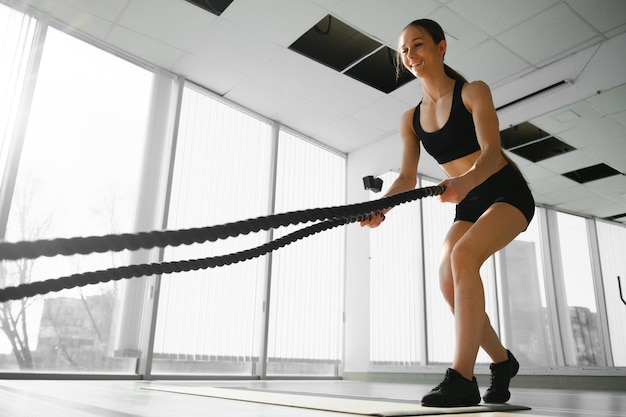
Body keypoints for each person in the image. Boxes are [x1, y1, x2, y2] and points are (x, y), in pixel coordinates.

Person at [360, 19, 535, 407]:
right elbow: (406, 177)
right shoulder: (410, 118)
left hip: (505, 191)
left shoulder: (473, 92)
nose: (410, 55)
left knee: (463, 255)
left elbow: (491, 153)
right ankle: (503, 363)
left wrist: (467, 181)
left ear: (441, 48)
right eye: (404, 51)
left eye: (418, 45)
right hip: (468, 200)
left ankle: (462, 379)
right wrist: (381, 208)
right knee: (447, 282)